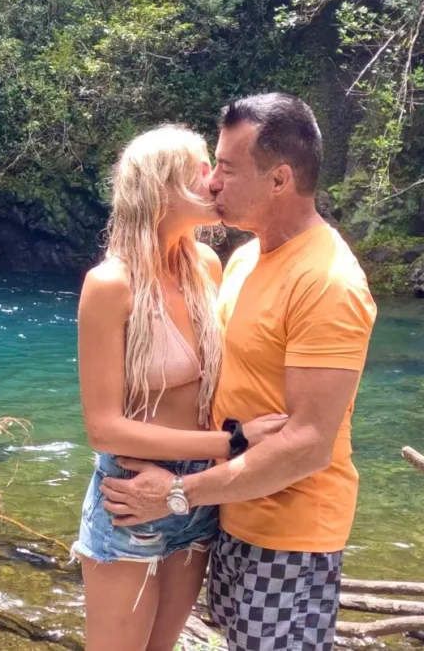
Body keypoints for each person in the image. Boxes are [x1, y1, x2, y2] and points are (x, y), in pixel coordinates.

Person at [99, 94, 377, 651]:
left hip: (289, 533)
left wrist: (178, 494)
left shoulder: (329, 283)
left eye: (226, 168)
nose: (214, 183)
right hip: (228, 514)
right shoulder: (246, 258)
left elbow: (307, 445)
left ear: (279, 180)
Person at [73, 124, 288, 651]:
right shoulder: (110, 285)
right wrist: (232, 444)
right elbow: (104, 429)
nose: (216, 181)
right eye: (201, 168)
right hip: (132, 492)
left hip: (200, 496)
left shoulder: (206, 267)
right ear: (159, 184)